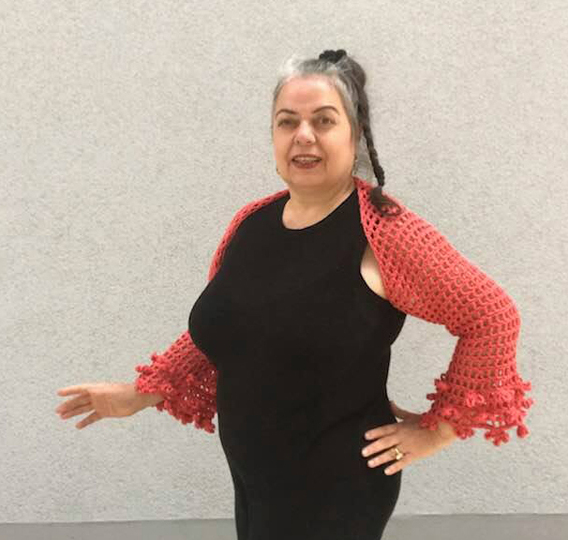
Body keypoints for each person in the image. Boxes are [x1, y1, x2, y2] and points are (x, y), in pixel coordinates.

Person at [55, 49, 534, 540]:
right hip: (257, 485)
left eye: (323, 120)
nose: (303, 135)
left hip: (336, 491)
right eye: (287, 122)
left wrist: (438, 431)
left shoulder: (385, 233)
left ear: (356, 134)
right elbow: (229, 331)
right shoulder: (252, 223)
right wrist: (136, 395)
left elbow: (492, 316)